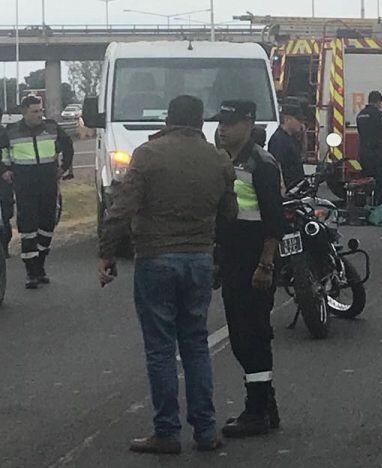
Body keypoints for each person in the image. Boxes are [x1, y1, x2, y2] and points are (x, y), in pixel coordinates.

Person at [98, 95, 238, 454]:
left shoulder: (149, 154)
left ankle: (167, 431)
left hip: (156, 258)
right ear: (199, 121)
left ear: (168, 118)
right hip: (199, 259)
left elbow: (122, 208)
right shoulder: (217, 159)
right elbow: (230, 213)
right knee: (195, 344)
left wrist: (108, 253)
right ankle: (206, 430)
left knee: (160, 349)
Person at [214, 100, 286, 438]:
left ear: (249, 123)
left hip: (254, 261)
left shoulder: (262, 163)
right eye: (221, 123)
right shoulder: (228, 159)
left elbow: (274, 222)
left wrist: (265, 264)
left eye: (230, 123)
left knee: (250, 336)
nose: (223, 129)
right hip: (232, 257)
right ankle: (264, 405)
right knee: (244, 336)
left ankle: (256, 411)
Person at [0, 95, 73, 289]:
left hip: (48, 184)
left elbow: (68, 145)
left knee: (47, 227)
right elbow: (2, 152)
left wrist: (64, 167)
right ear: (24, 112)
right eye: (35, 111)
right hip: (25, 186)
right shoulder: (11, 131)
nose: (39, 115)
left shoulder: (51, 127)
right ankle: (31, 273)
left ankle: (40, 266)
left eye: (41, 110)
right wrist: (4, 170)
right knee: (28, 229)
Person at [356, 91, 382, 204]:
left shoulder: (360, 115)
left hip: (363, 153)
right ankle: (379, 207)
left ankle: (366, 203)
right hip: (377, 154)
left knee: (367, 181)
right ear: (378, 102)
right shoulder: (378, 114)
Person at [268, 103, 305, 189]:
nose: (301, 124)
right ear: (287, 119)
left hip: (295, 188)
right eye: (299, 120)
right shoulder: (279, 139)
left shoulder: (291, 138)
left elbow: (302, 155)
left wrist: (304, 136)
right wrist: (281, 187)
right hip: (288, 188)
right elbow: (277, 164)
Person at [0, 107, 14, 258]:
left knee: (5, 216)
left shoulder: (5, 134)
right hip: (5, 181)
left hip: (4, 182)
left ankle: (4, 248)